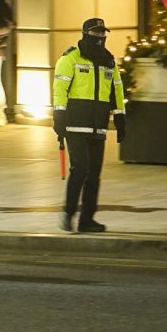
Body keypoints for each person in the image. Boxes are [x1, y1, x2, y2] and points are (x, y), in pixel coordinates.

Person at [54, 17, 126, 234]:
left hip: (98, 126)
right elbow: (60, 90)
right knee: (80, 169)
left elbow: (117, 91)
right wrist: (59, 117)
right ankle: (68, 213)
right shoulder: (70, 59)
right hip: (75, 125)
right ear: (85, 34)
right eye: (95, 33)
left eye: (102, 34)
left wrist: (120, 118)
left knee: (94, 173)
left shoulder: (109, 61)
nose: (100, 37)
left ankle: (87, 220)